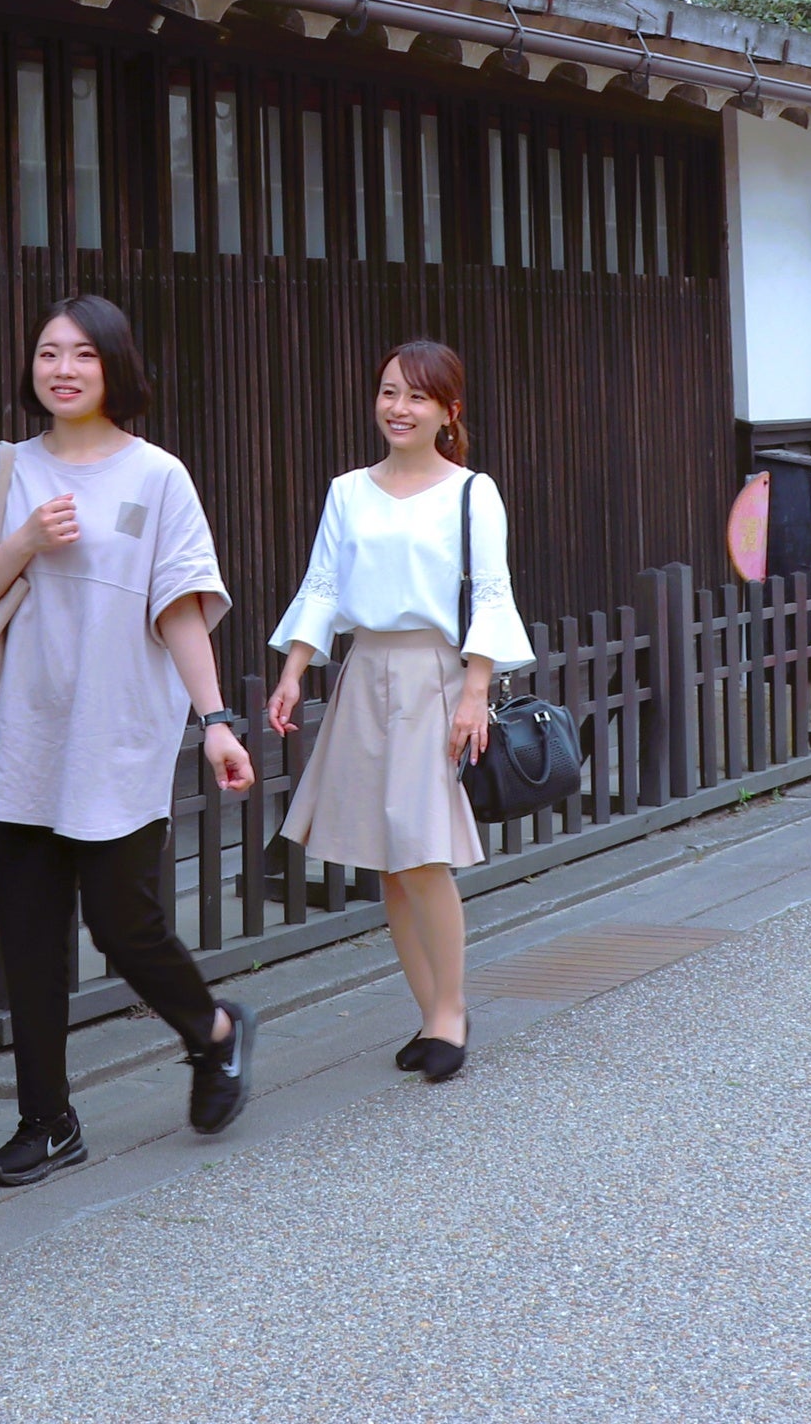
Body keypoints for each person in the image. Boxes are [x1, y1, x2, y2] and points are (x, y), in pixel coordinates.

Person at [0, 298, 257, 1188]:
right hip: (29, 737)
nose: (62, 368)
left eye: (81, 354)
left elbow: (183, 604)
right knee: (28, 939)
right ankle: (47, 1120)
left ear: (115, 366)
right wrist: (28, 538)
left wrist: (217, 719)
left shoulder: (159, 477)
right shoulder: (6, 470)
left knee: (123, 923)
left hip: (122, 734)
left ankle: (214, 1031)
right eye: (46, 353)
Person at [262, 339, 530, 1086]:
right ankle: (429, 1010)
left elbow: (492, 593)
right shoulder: (349, 490)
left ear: (449, 410)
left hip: (435, 679)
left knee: (420, 849)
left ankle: (451, 1012)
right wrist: (293, 671)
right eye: (388, 392)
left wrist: (476, 691)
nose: (398, 409)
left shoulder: (473, 492)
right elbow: (322, 584)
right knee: (388, 856)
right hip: (365, 671)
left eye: (416, 396)